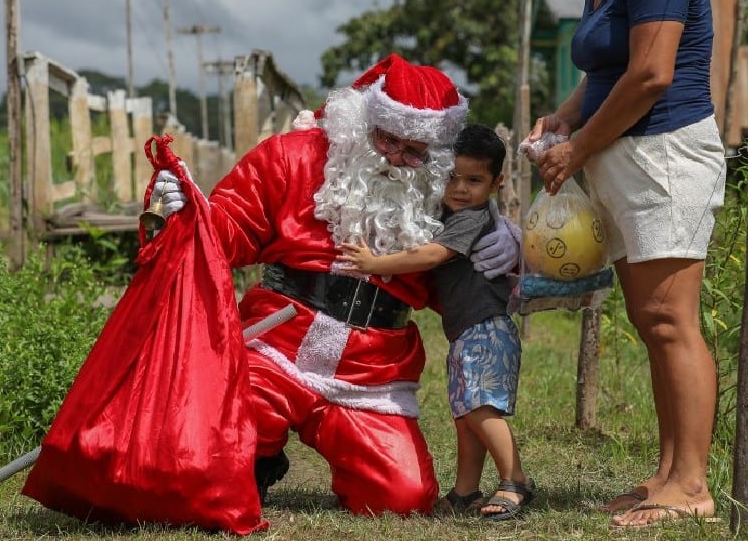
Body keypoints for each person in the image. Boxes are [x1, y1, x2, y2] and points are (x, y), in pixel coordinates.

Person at [146, 54, 522, 518]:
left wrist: (507, 237)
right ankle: (256, 458)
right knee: (206, 452)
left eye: (414, 151)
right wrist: (188, 214)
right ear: (364, 123)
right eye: (387, 140)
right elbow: (231, 228)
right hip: (276, 343)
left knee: (401, 499)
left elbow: (470, 247)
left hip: (371, 368)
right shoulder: (292, 156)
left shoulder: (440, 192)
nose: (397, 159)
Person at [527, 0, 727, 529]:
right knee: (650, 321)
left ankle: (694, 486)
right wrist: (565, 116)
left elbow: (650, 74)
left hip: (667, 156)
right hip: (625, 155)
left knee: (673, 320)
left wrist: (576, 151)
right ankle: (667, 474)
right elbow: (605, 68)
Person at [336, 123, 535, 522]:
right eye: (451, 177)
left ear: (496, 182)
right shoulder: (455, 210)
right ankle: (465, 492)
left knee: (480, 410)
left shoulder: (470, 219)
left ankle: (515, 479)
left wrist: (376, 264)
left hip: (486, 329)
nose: (460, 188)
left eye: (474, 180)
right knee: (465, 415)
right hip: (466, 332)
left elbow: (430, 256)